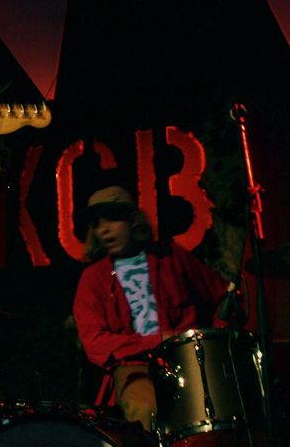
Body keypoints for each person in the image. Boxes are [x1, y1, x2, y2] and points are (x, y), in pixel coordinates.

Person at [72, 179, 231, 433]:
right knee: (146, 409)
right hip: (135, 368)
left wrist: (215, 344)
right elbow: (95, 342)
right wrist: (156, 341)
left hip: (189, 359)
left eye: (112, 219)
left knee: (217, 409)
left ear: (133, 219)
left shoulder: (171, 256)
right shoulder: (93, 279)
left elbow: (224, 296)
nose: (104, 230)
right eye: (97, 223)